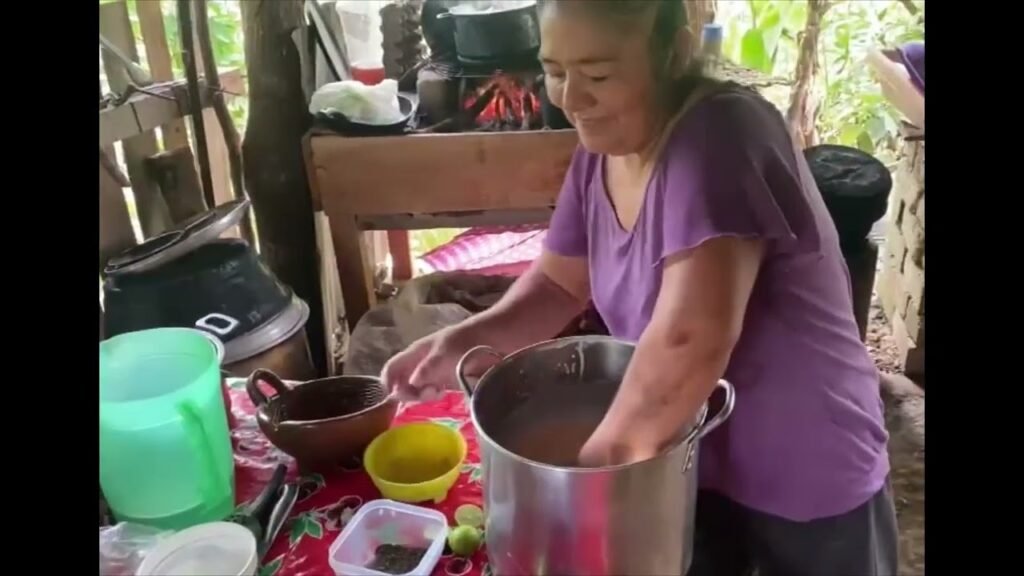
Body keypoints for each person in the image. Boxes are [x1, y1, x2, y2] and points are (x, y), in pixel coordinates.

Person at [382, 1, 898, 574]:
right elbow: (557, 284)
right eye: (555, 70)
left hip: (804, 464)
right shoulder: (601, 152)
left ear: (672, 53)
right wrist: (461, 341)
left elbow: (689, 339)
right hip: (686, 456)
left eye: (598, 74)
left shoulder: (721, 138)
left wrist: (591, 477)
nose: (571, 97)